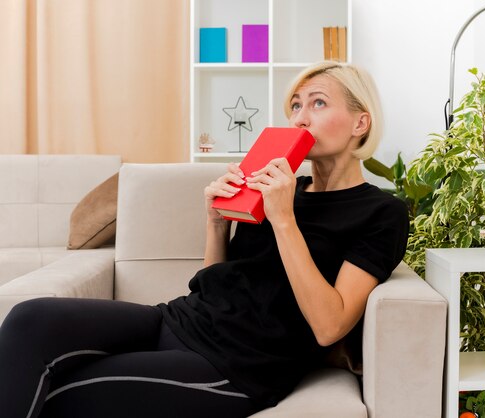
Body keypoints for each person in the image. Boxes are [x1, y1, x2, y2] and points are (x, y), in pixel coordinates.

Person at [0, 61, 409, 418]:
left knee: (63, 391)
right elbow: (220, 281)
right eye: (296, 106)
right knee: (28, 319)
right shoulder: (281, 187)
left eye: (318, 102)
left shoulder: (381, 213)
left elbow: (329, 326)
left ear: (361, 122)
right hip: (178, 318)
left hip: (235, 363)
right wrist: (216, 223)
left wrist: (284, 221)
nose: (301, 118)